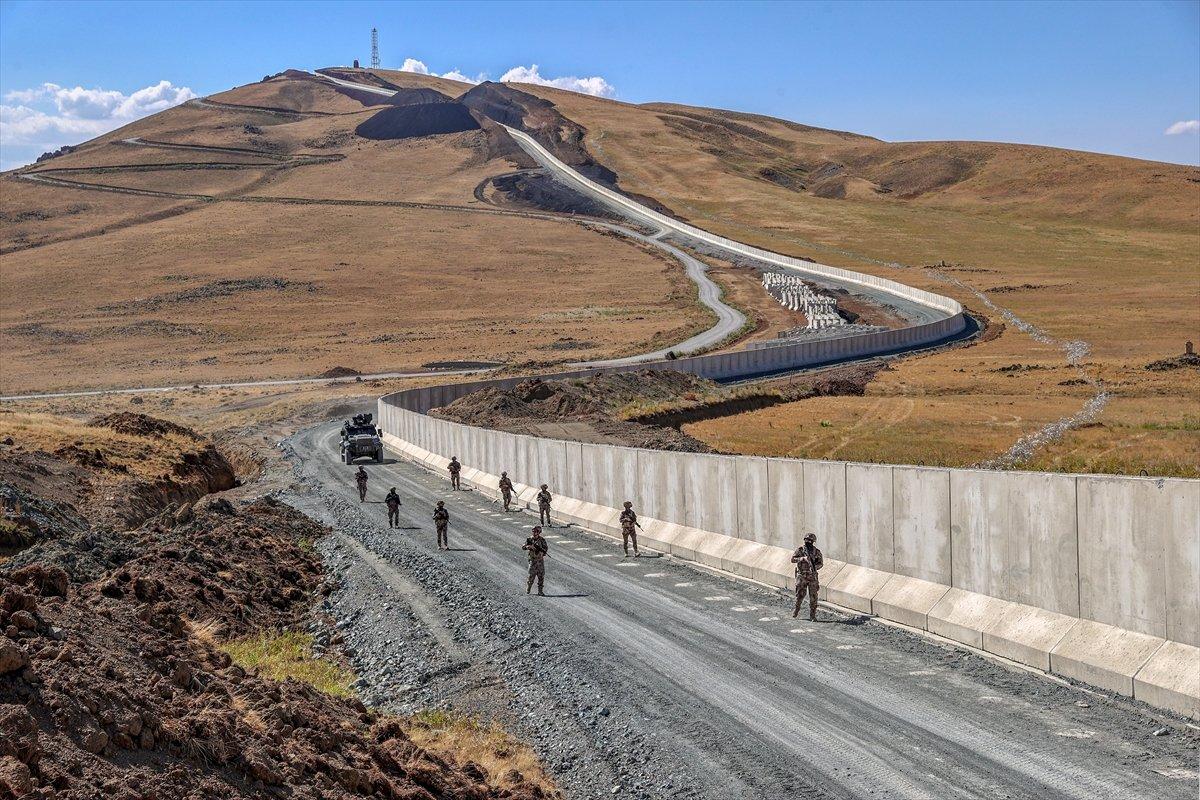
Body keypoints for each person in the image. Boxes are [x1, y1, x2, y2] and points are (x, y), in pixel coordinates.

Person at [791, 533, 824, 621]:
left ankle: (812, 615)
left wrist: (814, 567)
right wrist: (802, 559)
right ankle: (796, 610)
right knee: (800, 595)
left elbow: (821, 563)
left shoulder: (816, 552)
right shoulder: (800, 550)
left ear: (813, 542)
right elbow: (793, 559)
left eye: (810, 540)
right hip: (802, 576)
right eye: (806, 540)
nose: (808, 542)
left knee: (813, 597)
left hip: (812, 577)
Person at [523, 525, 549, 595]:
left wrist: (541, 552)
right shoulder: (529, 539)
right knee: (531, 576)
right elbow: (523, 547)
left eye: (536, 532)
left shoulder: (542, 540)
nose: (534, 533)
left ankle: (540, 591)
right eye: (533, 531)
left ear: (539, 532)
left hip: (540, 561)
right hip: (533, 561)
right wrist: (528, 547)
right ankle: (528, 588)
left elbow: (545, 549)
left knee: (541, 576)